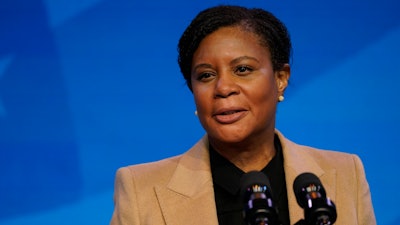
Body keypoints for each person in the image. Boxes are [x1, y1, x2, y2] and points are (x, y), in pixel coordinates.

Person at [110, 5, 376, 225]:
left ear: (281, 78)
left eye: (242, 69)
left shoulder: (345, 174)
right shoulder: (140, 189)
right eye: (205, 76)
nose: (223, 88)